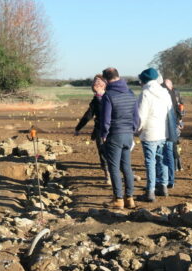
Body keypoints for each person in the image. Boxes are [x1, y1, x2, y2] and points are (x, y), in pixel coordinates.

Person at [99, 67, 139, 209]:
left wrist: (104, 134)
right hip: (128, 134)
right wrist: (132, 130)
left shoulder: (108, 95)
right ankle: (130, 198)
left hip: (115, 135)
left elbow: (106, 119)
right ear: (118, 76)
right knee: (127, 167)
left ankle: (118, 199)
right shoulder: (130, 92)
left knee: (114, 168)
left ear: (105, 80)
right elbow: (136, 117)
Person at [135, 68, 173, 202]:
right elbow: (170, 111)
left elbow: (140, 116)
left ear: (143, 80)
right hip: (163, 132)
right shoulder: (165, 92)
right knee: (162, 160)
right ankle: (163, 186)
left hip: (149, 133)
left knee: (150, 162)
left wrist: (137, 130)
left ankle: (150, 192)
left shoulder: (145, 93)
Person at [74, 75, 110, 184]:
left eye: (99, 82)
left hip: (113, 129)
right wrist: (78, 128)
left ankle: (126, 174)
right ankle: (107, 174)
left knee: (116, 152)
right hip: (100, 130)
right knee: (103, 152)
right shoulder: (95, 100)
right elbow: (88, 115)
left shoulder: (111, 96)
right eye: (95, 82)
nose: (96, 84)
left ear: (105, 84)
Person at [163, 78, 184, 185]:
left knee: (174, 144)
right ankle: (177, 165)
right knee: (173, 145)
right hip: (171, 121)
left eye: (167, 85)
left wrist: (180, 120)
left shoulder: (175, 93)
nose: (165, 87)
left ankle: (178, 165)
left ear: (171, 85)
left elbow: (180, 106)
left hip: (174, 121)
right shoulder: (166, 92)